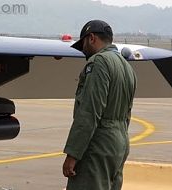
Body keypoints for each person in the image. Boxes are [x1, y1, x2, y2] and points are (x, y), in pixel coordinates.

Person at [62, 20, 137, 190]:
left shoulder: (99, 62)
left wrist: (73, 154)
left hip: (97, 145)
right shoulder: (127, 67)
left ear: (92, 38)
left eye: (83, 44)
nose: (83, 50)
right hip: (119, 143)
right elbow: (127, 114)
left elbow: (89, 112)